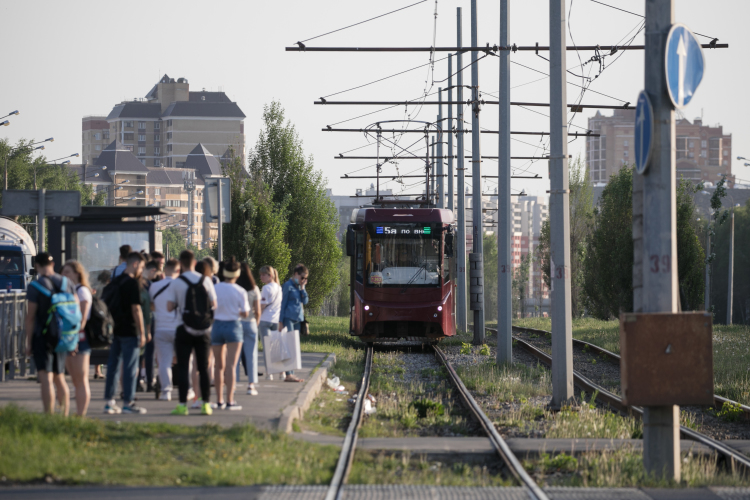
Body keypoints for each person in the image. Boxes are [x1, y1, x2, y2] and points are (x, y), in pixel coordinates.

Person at [24, 253, 78, 415]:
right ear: (53, 263)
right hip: (63, 336)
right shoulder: (67, 283)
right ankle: (65, 415)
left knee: (46, 378)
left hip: (43, 336)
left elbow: (30, 317)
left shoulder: (35, 286)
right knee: (59, 377)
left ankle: (49, 415)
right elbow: (75, 311)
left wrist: (29, 342)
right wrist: (73, 338)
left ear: (38, 266)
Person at [167, 250, 217, 416]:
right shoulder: (206, 280)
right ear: (194, 262)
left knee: (183, 367)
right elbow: (214, 304)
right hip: (204, 329)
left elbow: (169, 306)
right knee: (203, 367)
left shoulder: (176, 282)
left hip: (183, 328)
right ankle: (205, 405)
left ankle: (182, 405)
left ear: (181, 263)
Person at [103, 252, 148, 414]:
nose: (141, 271)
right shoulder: (132, 283)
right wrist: (142, 332)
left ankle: (109, 402)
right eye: (141, 267)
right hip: (130, 329)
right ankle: (128, 402)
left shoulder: (116, 281)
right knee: (129, 368)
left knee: (113, 367)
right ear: (135, 264)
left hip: (115, 329)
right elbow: (136, 309)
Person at [211, 258, 249, 410]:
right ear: (237, 274)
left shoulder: (216, 288)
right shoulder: (240, 291)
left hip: (217, 325)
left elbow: (211, 306)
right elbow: (245, 313)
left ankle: (219, 400)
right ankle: (230, 401)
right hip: (233, 325)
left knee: (218, 366)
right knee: (231, 366)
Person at [61, 260, 93, 417]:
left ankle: (81, 415)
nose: (64, 275)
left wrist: (74, 337)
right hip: (69, 338)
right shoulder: (70, 291)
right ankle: (73, 414)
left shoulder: (82, 291)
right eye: (63, 272)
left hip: (79, 338)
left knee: (80, 379)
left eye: (67, 272)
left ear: (77, 274)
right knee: (74, 379)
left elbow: (82, 319)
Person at [149, 258, 181, 401]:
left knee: (164, 362)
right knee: (185, 360)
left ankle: (166, 391)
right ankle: (187, 390)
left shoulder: (154, 287)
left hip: (161, 327)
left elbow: (151, 306)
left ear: (165, 270)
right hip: (179, 328)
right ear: (178, 271)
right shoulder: (181, 285)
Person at [278, 264, 308, 383]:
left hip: (298, 319)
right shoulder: (287, 286)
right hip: (288, 318)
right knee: (289, 345)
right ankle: (288, 374)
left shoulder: (299, 287)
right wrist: (280, 321)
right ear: (295, 274)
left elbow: (305, 301)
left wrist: (303, 288)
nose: (303, 280)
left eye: (305, 278)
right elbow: (282, 303)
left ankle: (291, 373)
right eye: (302, 277)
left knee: (294, 346)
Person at [236, 263, 261, 396]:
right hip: (250, 322)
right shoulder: (254, 289)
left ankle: (234, 383)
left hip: (237, 324)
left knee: (234, 357)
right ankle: (251, 385)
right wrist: (255, 324)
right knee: (251, 355)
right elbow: (257, 311)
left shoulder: (235, 288)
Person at [258, 266, 281, 381]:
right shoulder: (279, 288)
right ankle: (282, 372)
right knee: (276, 347)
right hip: (276, 321)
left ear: (270, 276)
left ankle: (269, 373)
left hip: (265, 320)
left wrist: (257, 317)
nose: (261, 277)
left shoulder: (266, 288)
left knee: (267, 348)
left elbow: (262, 306)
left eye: (263, 275)